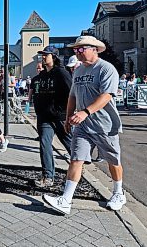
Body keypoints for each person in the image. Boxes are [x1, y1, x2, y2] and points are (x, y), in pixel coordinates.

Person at [43, 36, 125, 215]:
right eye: (75, 50)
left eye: (81, 49)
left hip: (104, 125)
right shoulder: (78, 71)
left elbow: (106, 96)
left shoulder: (106, 69)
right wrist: (68, 117)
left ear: (94, 49)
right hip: (83, 126)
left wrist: (85, 112)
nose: (77, 53)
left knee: (113, 160)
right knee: (76, 159)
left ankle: (118, 192)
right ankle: (66, 200)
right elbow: (72, 96)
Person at [30, 46, 72, 187]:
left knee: (70, 144)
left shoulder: (61, 73)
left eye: (45, 55)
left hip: (60, 116)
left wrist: (70, 113)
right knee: (44, 144)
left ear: (53, 57)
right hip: (44, 117)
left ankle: (78, 167)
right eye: (42, 55)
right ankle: (48, 176)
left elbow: (72, 93)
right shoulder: (41, 76)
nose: (43, 57)